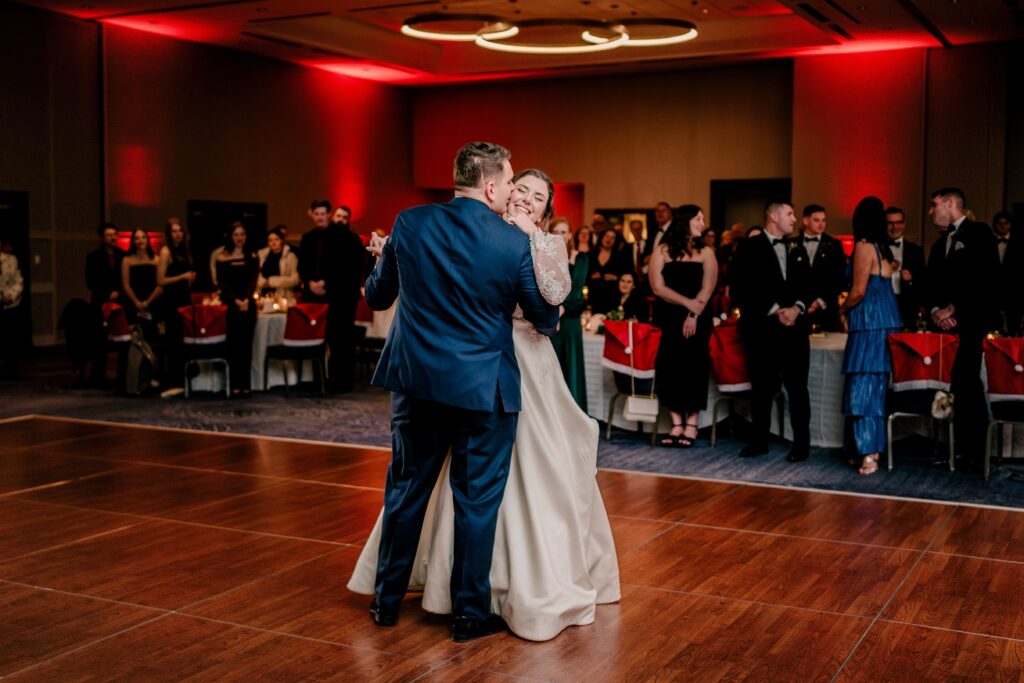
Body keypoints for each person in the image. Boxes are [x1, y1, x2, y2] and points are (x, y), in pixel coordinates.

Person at [350, 143, 621, 644]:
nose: (514, 193)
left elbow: (377, 296)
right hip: (483, 389)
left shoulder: (409, 224)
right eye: (512, 182)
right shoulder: (512, 242)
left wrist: (382, 259)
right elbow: (542, 319)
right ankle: (469, 615)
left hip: (417, 385)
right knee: (477, 501)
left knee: (406, 491)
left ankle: (386, 603)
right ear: (492, 186)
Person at [731, 201, 812, 462]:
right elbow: (741, 286)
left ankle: (802, 444)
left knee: (798, 388)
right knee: (762, 389)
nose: (794, 218)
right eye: (790, 213)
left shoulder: (797, 248)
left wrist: (797, 308)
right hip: (762, 329)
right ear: (774, 216)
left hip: (795, 330)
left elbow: (809, 285)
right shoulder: (749, 246)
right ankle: (759, 441)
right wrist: (777, 309)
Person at [925, 187, 999, 473]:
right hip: (944, 329)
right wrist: (935, 312)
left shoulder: (978, 233)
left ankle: (978, 452)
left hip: (971, 323)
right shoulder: (937, 245)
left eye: (935, 205)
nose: (931, 211)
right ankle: (958, 448)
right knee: (951, 386)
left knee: (969, 384)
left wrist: (953, 309)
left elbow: (985, 278)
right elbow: (929, 285)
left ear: (952, 203)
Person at [839, 197, 901, 476]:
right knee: (873, 389)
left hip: (869, 325)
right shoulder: (883, 250)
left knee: (863, 389)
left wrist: (841, 309)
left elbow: (859, 291)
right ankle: (865, 450)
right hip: (885, 323)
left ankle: (868, 454)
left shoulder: (864, 247)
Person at [649, 204, 718, 447]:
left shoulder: (707, 252)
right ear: (685, 221)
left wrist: (693, 311)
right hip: (669, 319)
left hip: (698, 318)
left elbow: (708, 287)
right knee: (669, 366)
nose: (702, 223)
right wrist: (685, 302)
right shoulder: (662, 250)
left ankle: (692, 424)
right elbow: (657, 287)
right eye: (698, 219)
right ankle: (676, 423)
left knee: (696, 367)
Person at [298, 199, 365, 393]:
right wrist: (310, 282)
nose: (320, 217)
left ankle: (341, 380)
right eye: (316, 213)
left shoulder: (343, 237)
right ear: (311, 214)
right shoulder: (308, 238)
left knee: (340, 339)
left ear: (329, 215)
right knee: (316, 337)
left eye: (323, 214)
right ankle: (318, 379)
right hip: (314, 295)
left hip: (339, 296)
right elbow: (303, 265)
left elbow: (344, 266)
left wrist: (325, 283)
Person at [550, 216, 589, 410]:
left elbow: (577, 292)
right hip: (551, 318)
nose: (559, 236)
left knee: (571, 366)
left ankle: (574, 413)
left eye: (563, 232)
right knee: (553, 366)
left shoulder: (580, 258)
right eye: (555, 232)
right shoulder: (545, 257)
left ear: (570, 235)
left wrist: (562, 309)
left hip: (570, 319)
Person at [216, 222, 258, 397]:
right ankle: (234, 384)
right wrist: (236, 301)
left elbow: (253, 280)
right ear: (230, 237)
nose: (239, 238)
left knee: (247, 346)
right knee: (234, 345)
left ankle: (246, 384)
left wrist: (247, 300)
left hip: (248, 305)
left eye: (242, 234)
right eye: (236, 235)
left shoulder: (253, 255)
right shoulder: (222, 257)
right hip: (231, 305)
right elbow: (223, 284)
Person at [157, 218, 196, 394]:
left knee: (183, 341)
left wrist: (189, 279)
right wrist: (182, 277)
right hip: (171, 301)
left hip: (184, 298)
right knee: (173, 341)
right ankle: (172, 381)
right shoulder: (166, 252)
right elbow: (160, 280)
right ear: (168, 233)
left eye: (180, 230)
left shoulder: (183, 251)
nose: (177, 234)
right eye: (174, 231)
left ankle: (182, 380)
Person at [85, 223, 125, 385]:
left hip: (120, 300)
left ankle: (122, 374)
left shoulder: (122, 255)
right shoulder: (93, 256)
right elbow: (91, 282)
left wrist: (119, 293)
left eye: (115, 234)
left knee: (122, 336)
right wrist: (108, 293)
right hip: (100, 301)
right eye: (109, 235)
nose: (112, 237)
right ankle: (97, 375)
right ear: (103, 237)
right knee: (99, 339)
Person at [798, 204, 847, 332]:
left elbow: (839, 278)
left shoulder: (835, 245)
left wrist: (819, 302)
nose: (821, 224)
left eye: (823, 220)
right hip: (797, 311)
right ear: (805, 221)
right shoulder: (792, 244)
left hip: (826, 310)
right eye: (816, 220)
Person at [885, 206, 927, 330]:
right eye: (890, 223)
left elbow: (924, 283)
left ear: (904, 224)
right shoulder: (877, 248)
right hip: (882, 304)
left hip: (906, 307)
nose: (894, 227)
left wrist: (911, 279)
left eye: (899, 223)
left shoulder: (916, 251)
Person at [120, 228, 162, 331]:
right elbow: (126, 285)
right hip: (133, 301)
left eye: (143, 237)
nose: (140, 241)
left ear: (147, 240)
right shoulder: (127, 260)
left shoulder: (157, 259)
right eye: (137, 238)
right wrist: (136, 302)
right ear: (133, 241)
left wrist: (147, 302)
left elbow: (160, 285)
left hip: (153, 300)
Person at [992, 211, 1022, 335]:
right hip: (993, 290)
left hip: (1013, 291)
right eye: (1000, 224)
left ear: (1010, 225)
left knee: (1013, 325)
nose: (1003, 226)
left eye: (1006, 223)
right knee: (994, 326)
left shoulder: (1019, 243)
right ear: (995, 225)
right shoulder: (989, 242)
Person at [0, 246, 24, 379]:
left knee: (12, 338)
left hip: (12, 304)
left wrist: (11, 296)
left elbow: (18, 280)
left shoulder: (12, 259)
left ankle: (12, 369)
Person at [587, 228, 625, 314]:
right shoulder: (591, 254)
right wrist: (591, 277)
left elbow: (623, 276)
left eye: (612, 238)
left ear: (615, 241)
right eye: (607, 236)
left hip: (611, 298)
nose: (609, 239)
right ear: (602, 238)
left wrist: (615, 278)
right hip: (593, 297)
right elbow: (585, 276)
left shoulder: (619, 257)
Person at [257, 227, 300, 298]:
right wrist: (262, 282)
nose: (273, 242)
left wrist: (274, 281)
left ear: (281, 240)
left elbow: (295, 279)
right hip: (265, 296)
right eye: (270, 240)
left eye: (276, 239)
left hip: (283, 296)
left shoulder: (290, 256)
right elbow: (258, 275)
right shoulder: (263, 256)